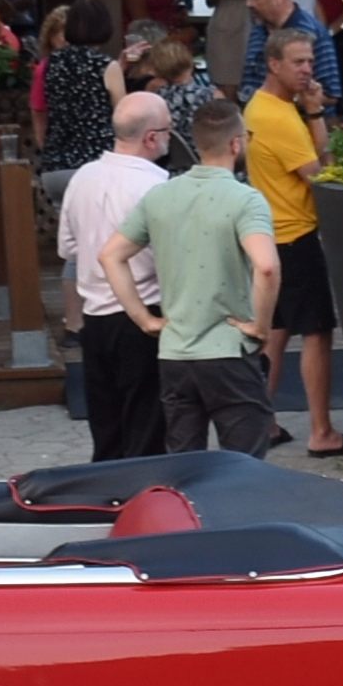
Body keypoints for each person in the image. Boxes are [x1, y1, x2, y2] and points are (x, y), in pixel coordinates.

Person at [126, 95, 285, 457]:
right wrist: (260, 327)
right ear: (236, 142)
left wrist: (142, 317)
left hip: (176, 352)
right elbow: (267, 266)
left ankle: (189, 516)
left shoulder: (160, 196)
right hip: (228, 350)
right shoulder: (246, 200)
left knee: (185, 466)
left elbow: (110, 255)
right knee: (244, 466)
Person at [246, 25, 343, 450]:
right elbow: (320, 176)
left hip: (273, 232)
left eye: (310, 60)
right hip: (297, 233)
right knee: (317, 332)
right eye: (298, 62)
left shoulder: (261, 106)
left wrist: (310, 112)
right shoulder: (278, 117)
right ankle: (322, 431)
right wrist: (315, 116)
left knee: (277, 329)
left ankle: (261, 421)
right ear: (274, 64)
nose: (308, 69)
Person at [59, 88, 173, 456]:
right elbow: (167, 257)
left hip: (94, 315)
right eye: (169, 130)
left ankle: (105, 500)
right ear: (152, 137)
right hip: (145, 313)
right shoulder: (156, 186)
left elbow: (68, 248)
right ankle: (144, 503)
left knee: (106, 428)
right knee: (146, 426)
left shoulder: (83, 177)